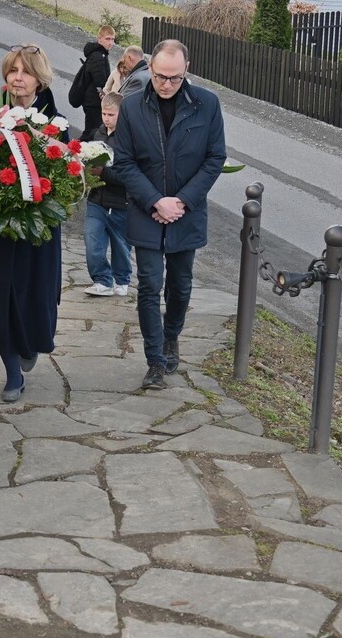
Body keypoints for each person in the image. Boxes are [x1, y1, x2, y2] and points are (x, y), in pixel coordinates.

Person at [112, 39, 226, 390]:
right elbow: (125, 162)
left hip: (185, 212)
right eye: (160, 76)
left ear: (186, 70)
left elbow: (214, 158)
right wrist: (155, 201)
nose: (166, 84)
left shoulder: (207, 104)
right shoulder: (132, 107)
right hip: (147, 210)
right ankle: (155, 362)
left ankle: (171, 333)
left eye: (174, 78)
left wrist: (181, 201)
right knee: (149, 284)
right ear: (150, 68)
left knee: (180, 284)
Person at [0, 44, 67, 403]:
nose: (18, 77)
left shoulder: (54, 122)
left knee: (31, 294)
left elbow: (65, 170)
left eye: (25, 71)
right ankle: (12, 374)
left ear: (39, 77)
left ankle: (30, 344)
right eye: (12, 70)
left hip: (35, 229)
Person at [83, 92, 132, 297]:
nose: (106, 118)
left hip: (120, 201)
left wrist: (104, 172)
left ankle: (122, 279)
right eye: (104, 113)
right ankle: (102, 279)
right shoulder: (98, 134)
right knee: (92, 240)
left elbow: (130, 174)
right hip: (96, 199)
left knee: (121, 245)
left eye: (111, 114)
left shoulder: (130, 139)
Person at [76, 25, 114, 142]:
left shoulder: (100, 53)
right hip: (93, 102)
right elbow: (100, 82)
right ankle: (74, 151)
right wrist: (106, 98)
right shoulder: (98, 55)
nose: (111, 43)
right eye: (108, 39)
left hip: (93, 101)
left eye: (113, 39)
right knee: (91, 132)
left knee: (92, 131)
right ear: (100, 39)